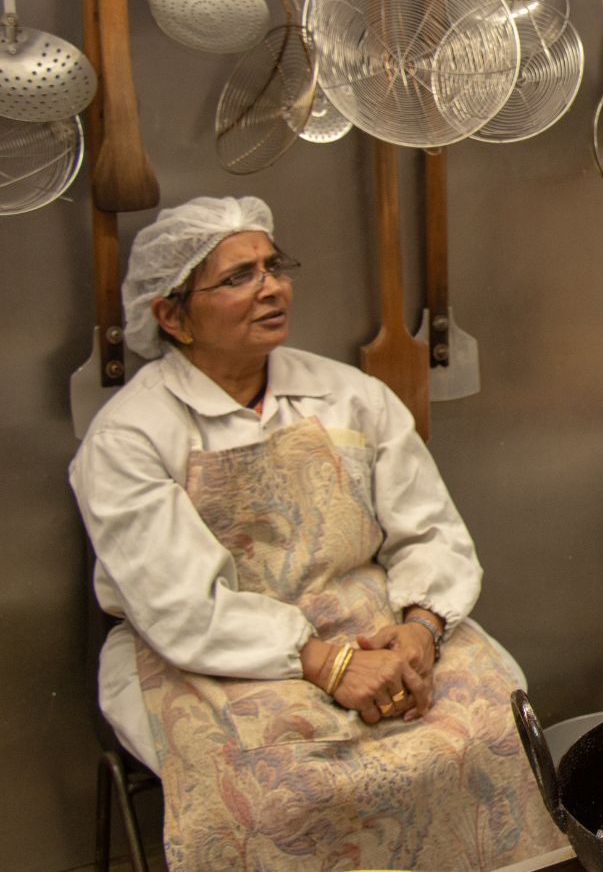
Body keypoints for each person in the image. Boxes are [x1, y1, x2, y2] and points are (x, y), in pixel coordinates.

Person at [71, 196, 561, 871]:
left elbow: (431, 531)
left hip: (372, 622)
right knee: (289, 795)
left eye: (273, 265)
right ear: (171, 315)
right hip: (209, 654)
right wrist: (328, 663)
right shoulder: (131, 434)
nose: (271, 287)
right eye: (238, 276)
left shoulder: (349, 395)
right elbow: (180, 606)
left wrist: (419, 627)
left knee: (491, 729)